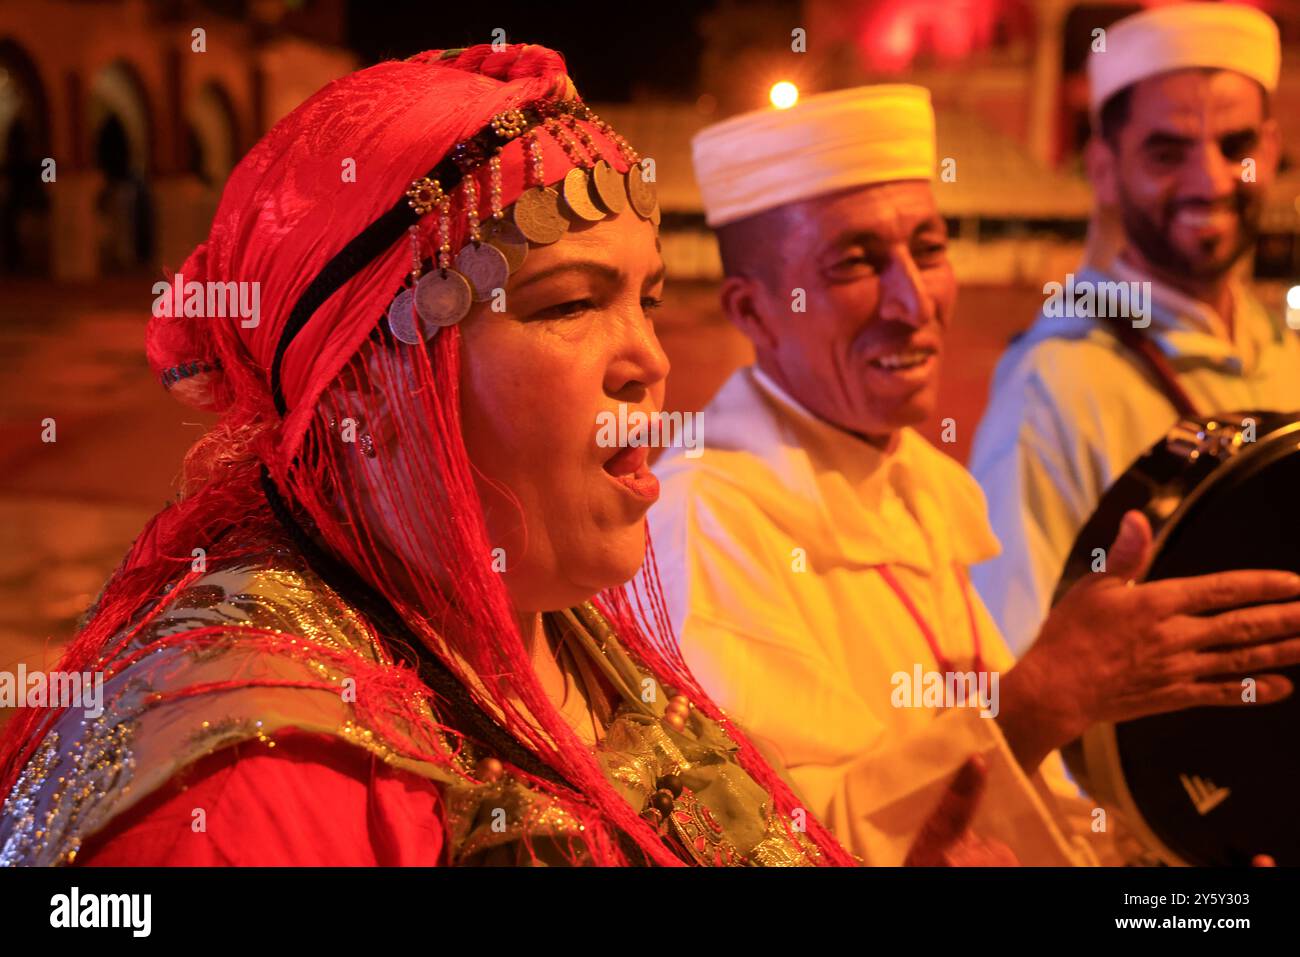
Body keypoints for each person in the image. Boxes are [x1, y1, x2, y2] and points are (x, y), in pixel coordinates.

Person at [0, 43, 881, 867]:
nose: (650, 359)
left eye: (647, 299)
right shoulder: (247, 793)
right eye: (570, 304)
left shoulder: (548, 622)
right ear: (363, 393)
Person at [648, 81, 1300, 865]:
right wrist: (1044, 697)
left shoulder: (907, 473)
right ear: (751, 311)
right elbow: (774, 839)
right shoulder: (706, 514)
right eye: (855, 263)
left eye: (928, 249)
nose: (914, 299)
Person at [970, 2, 1300, 654]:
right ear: (1104, 169)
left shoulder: (1285, 350)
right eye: (1166, 152)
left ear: (1270, 148)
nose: (1209, 180)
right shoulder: (1051, 385)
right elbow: (1014, 668)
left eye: (1235, 146)